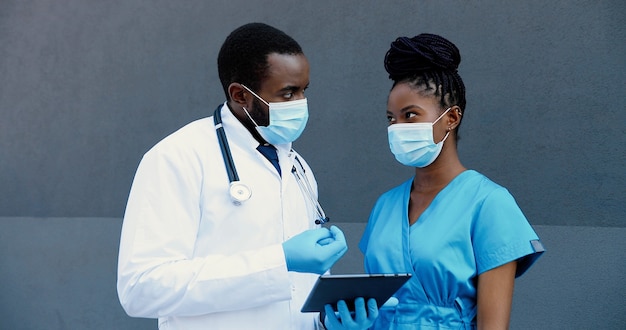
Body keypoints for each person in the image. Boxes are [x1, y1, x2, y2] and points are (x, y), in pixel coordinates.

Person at [117, 22, 371, 330]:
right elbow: (141, 289)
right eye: (287, 93)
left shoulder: (298, 168)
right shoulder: (177, 158)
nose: (301, 104)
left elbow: (298, 294)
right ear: (240, 95)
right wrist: (279, 261)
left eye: (304, 90)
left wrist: (331, 323)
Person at [353, 33, 546, 329]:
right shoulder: (386, 205)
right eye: (391, 118)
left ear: (451, 118)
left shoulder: (488, 203)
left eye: (410, 115)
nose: (397, 128)